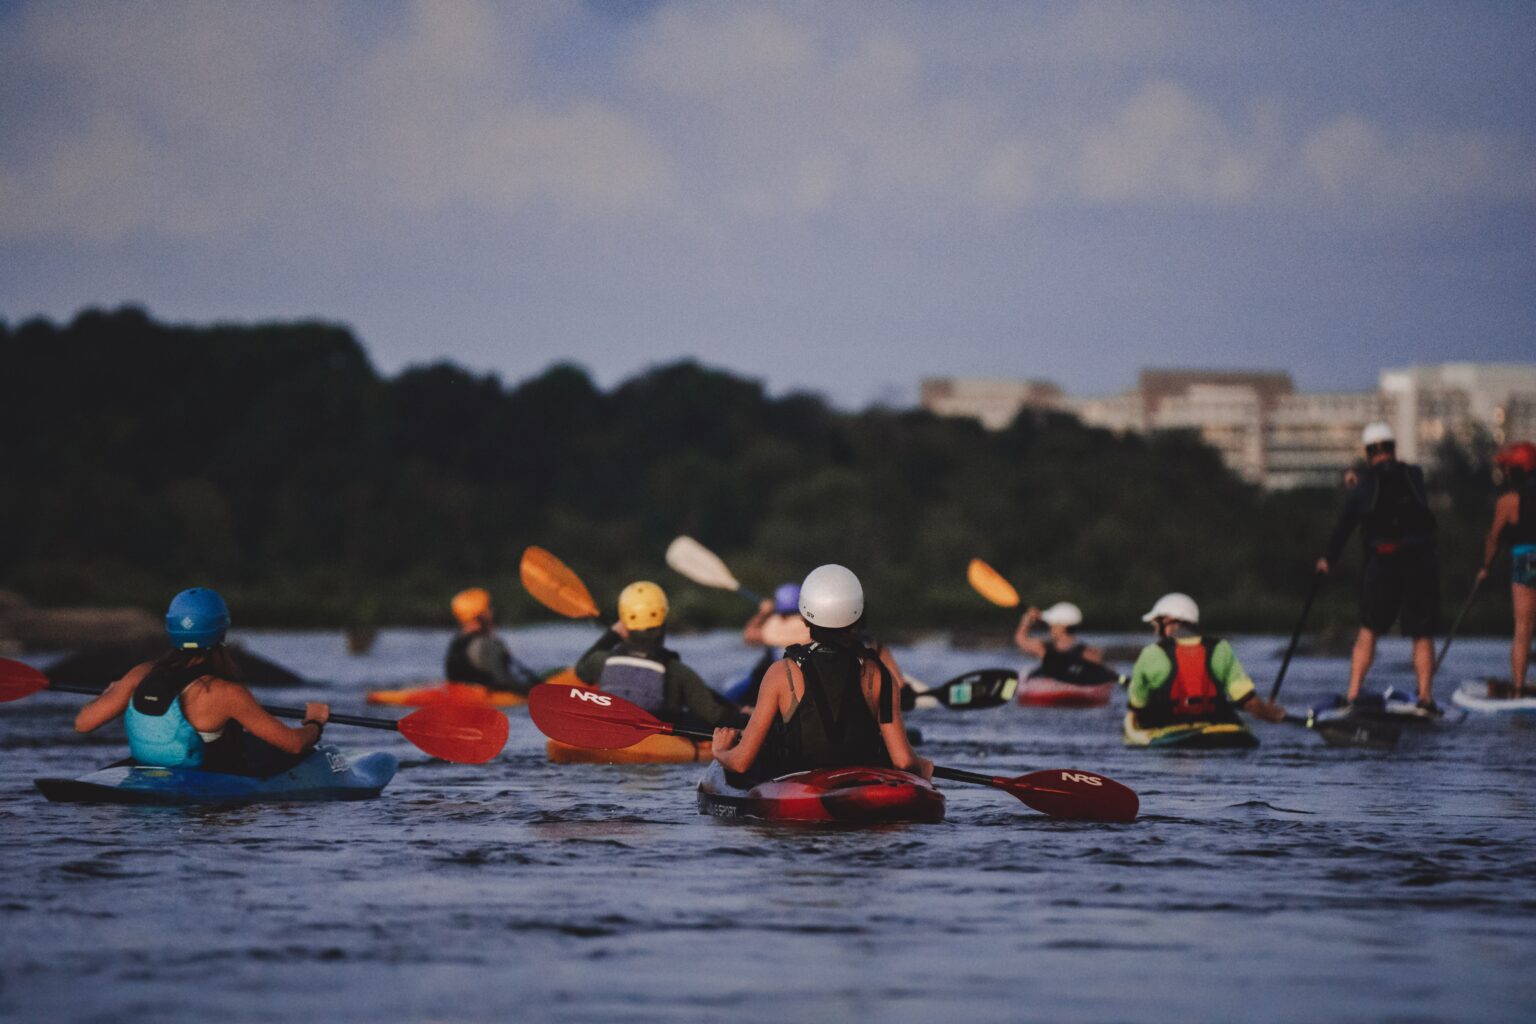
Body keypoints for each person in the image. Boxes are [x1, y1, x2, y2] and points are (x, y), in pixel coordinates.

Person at [73, 588, 330, 776]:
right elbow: (294, 744)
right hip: (207, 796)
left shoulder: (139, 674)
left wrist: (111, 692)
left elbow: (83, 723)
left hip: (152, 770)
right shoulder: (225, 692)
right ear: (221, 629)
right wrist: (315, 722)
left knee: (251, 740)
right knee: (299, 752)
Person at [712, 564, 931, 783]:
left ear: (805, 618)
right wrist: (921, 767)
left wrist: (721, 752)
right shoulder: (880, 675)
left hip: (795, 783)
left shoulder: (780, 672)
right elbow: (903, 762)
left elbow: (740, 763)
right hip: (862, 782)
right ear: (856, 617)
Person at [1315, 422, 1441, 711]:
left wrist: (1328, 560)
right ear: (1392, 449)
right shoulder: (1415, 476)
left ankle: (1353, 694)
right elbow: (1396, 473)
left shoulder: (1362, 485)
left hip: (1384, 563)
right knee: (1422, 633)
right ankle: (1425, 698)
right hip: (1421, 562)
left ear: (1368, 453)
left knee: (1369, 630)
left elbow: (1346, 525)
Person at [576, 581, 745, 731]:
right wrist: (748, 719)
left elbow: (581, 670)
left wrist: (612, 634)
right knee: (698, 718)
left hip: (616, 732)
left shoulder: (602, 661)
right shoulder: (677, 672)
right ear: (663, 619)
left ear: (624, 621)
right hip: (660, 737)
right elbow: (715, 716)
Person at [1127, 593, 1285, 729]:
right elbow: (1247, 700)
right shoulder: (1221, 648)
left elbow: (1137, 705)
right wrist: (1267, 712)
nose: (1155, 631)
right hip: (1215, 720)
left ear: (1169, 620)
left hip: (1166, 724)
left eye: (1156, 624)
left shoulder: (1151, 653)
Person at [1476, 441, 1536, 696]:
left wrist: (1485, 567)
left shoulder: (1509, 501)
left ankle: (1519, 687)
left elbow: (1493, 538)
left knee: (1523, 629)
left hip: (1525, 559)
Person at [445, 587, 539, 693]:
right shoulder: (485, 644)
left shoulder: (456, 641)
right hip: (490, 699)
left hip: (460, 696)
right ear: (480, 614)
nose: (491, 612)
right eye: (488, 607)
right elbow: (503, 682)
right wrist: (533, 690)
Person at [736, 582, 812, 706]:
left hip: (775, 680)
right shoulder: (811, 624)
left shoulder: (775, 623)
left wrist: (764, 612)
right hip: (803, 680)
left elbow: (749, 636)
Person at [1014, 602, 1105, 679]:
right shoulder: (1091, 652)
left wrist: (1026, 621)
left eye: (1053, 625)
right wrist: (1027, 620)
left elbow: (1020, 639)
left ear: (1062, 627)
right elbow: (1020, 640)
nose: (1050, 628)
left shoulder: (1043, 648)